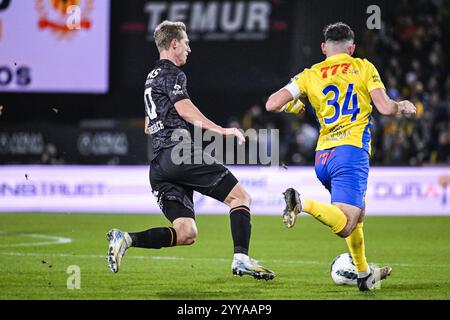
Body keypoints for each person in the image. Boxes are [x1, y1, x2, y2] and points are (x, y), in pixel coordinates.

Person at [106, 21, 274, 280]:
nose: (189, 49)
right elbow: (185, 110)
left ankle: (125, 239)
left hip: (159, 165)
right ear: (173, 44)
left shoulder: (150, 78)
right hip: (179, 153)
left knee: (186, 233)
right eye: (185, 43)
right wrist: (222, 130)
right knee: (241, 198)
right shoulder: (173, 73)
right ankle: (241, 259)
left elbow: (148, 126)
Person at [265, 22, 416, 291]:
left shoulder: (309, 74)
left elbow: (272, 103)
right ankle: (301, 202)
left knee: (358, 213)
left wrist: (294, 106)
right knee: (346, 223)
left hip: (323, 157)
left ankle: (363, 274)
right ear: (352, 47)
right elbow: (384, 107)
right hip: (350, 151)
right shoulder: (362, 66)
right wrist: (402, 106)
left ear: (324, 48)